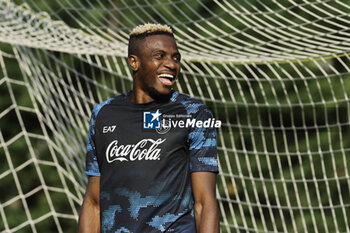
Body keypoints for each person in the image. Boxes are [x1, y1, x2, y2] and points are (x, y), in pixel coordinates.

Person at [78, 23, 220, 233]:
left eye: (175, 57)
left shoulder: (193, 114)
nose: (171, 64)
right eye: (159, 56)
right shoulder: (104, 114)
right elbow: (93, 203)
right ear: (134, 62)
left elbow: (204, 203)